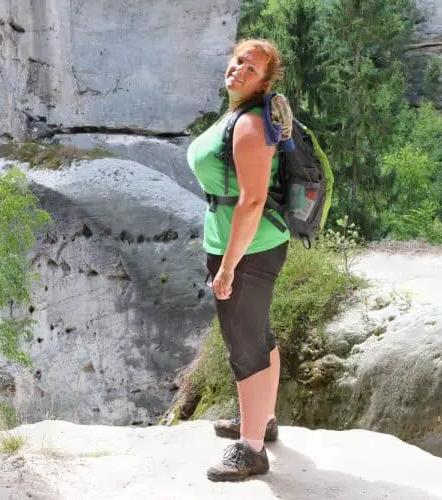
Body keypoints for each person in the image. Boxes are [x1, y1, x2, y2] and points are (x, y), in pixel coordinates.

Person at [186, 39, 292, 482]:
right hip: (247, 241)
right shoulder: (239, 114)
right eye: (238, 60)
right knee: (259, 335)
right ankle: (261, 420)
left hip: (246, 245)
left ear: (264, 83)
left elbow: (251, 201)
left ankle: (250, 451)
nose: (240, 69)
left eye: (252, 68)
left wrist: (228, 266)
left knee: (244, 344)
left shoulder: (250, 124)